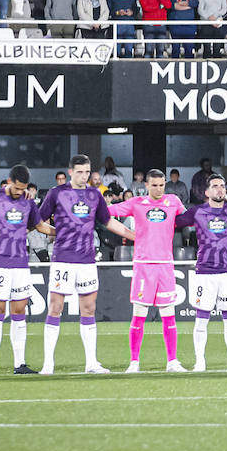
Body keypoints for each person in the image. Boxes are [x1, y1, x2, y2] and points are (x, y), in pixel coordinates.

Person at [37, 155, 136, 375]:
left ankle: (91, 362)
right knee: (55, 308)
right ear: (71, 172)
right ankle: (48, 364)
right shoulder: (57, 193)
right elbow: (38, 220)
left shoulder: (94, 195)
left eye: (87, 172)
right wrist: (55, 231)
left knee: (89, 309)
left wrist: (134, 236)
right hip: (63, 260)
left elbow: (108, 221)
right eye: (80, 172)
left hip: (87, 261)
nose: (84, 176)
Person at [0, 165, 48, 375]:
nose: (19, 192)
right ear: (8, 181)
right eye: (17, 188)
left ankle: (19, 364)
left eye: (23, 189)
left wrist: (66, 232)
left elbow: (40, 226)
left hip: (21, 264)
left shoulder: (28, 201)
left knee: (19, 311)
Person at [109, 170, 187, 374]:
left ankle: (172, 361)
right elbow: (109, 211)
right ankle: (134, 362)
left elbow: (190, 218)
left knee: (169, 315)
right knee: (139, 314)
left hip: (165, 265)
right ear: (147, 186)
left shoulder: (173, 201)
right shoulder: (136, 203)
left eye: (162, 185)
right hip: (144, 265)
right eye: (155, 185)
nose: (159, 189)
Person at [174, 173, 227, 372]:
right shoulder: (197, 212)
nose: (219, 189)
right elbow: (173, 222)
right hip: (204, 272)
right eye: (215, 186)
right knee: (201, 319)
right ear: (207, 192)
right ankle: (200, 361)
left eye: (222, 186)